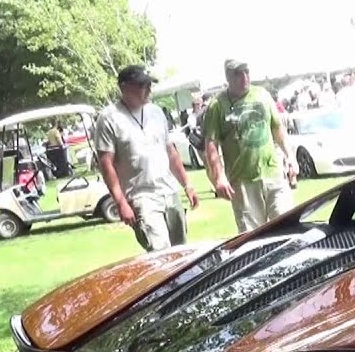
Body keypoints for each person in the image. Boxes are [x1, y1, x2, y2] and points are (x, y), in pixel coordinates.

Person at [93, 65, 199, 251]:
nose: (149, 89)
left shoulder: (156, 112)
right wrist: (121, 203)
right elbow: (106, 163)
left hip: (169, 191)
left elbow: (170, 151)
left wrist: (187, 185)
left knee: (181, 252)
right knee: (160, 253)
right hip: (141, 196)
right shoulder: (109, 118)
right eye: (143, 85)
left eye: (149, 84)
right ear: (124, 88)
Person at [203, 59, 297, 234]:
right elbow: (211, 144)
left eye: (246, 72)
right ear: (228, 77)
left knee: (287, 227)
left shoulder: (262, 95)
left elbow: (278, 129)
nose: (244, 77)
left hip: (273, 173)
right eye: (238, 74)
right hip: (242, 181)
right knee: (253, 236)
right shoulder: (217, 105)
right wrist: (219, 177)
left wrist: (290, 157)